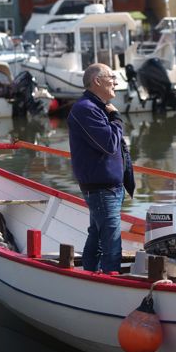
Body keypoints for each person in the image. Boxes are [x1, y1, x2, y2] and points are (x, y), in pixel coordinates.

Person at [68, 63, 130, 273]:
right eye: (111, 76)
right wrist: (116, 118)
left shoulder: (97, 107)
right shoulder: (85, 109)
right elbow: (109, 144)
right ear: (96, 80)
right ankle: (110, 283)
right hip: (102, 190)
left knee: (96, 236)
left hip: (110, 188)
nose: (115, 81)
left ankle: (88, 275)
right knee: (111, 246)